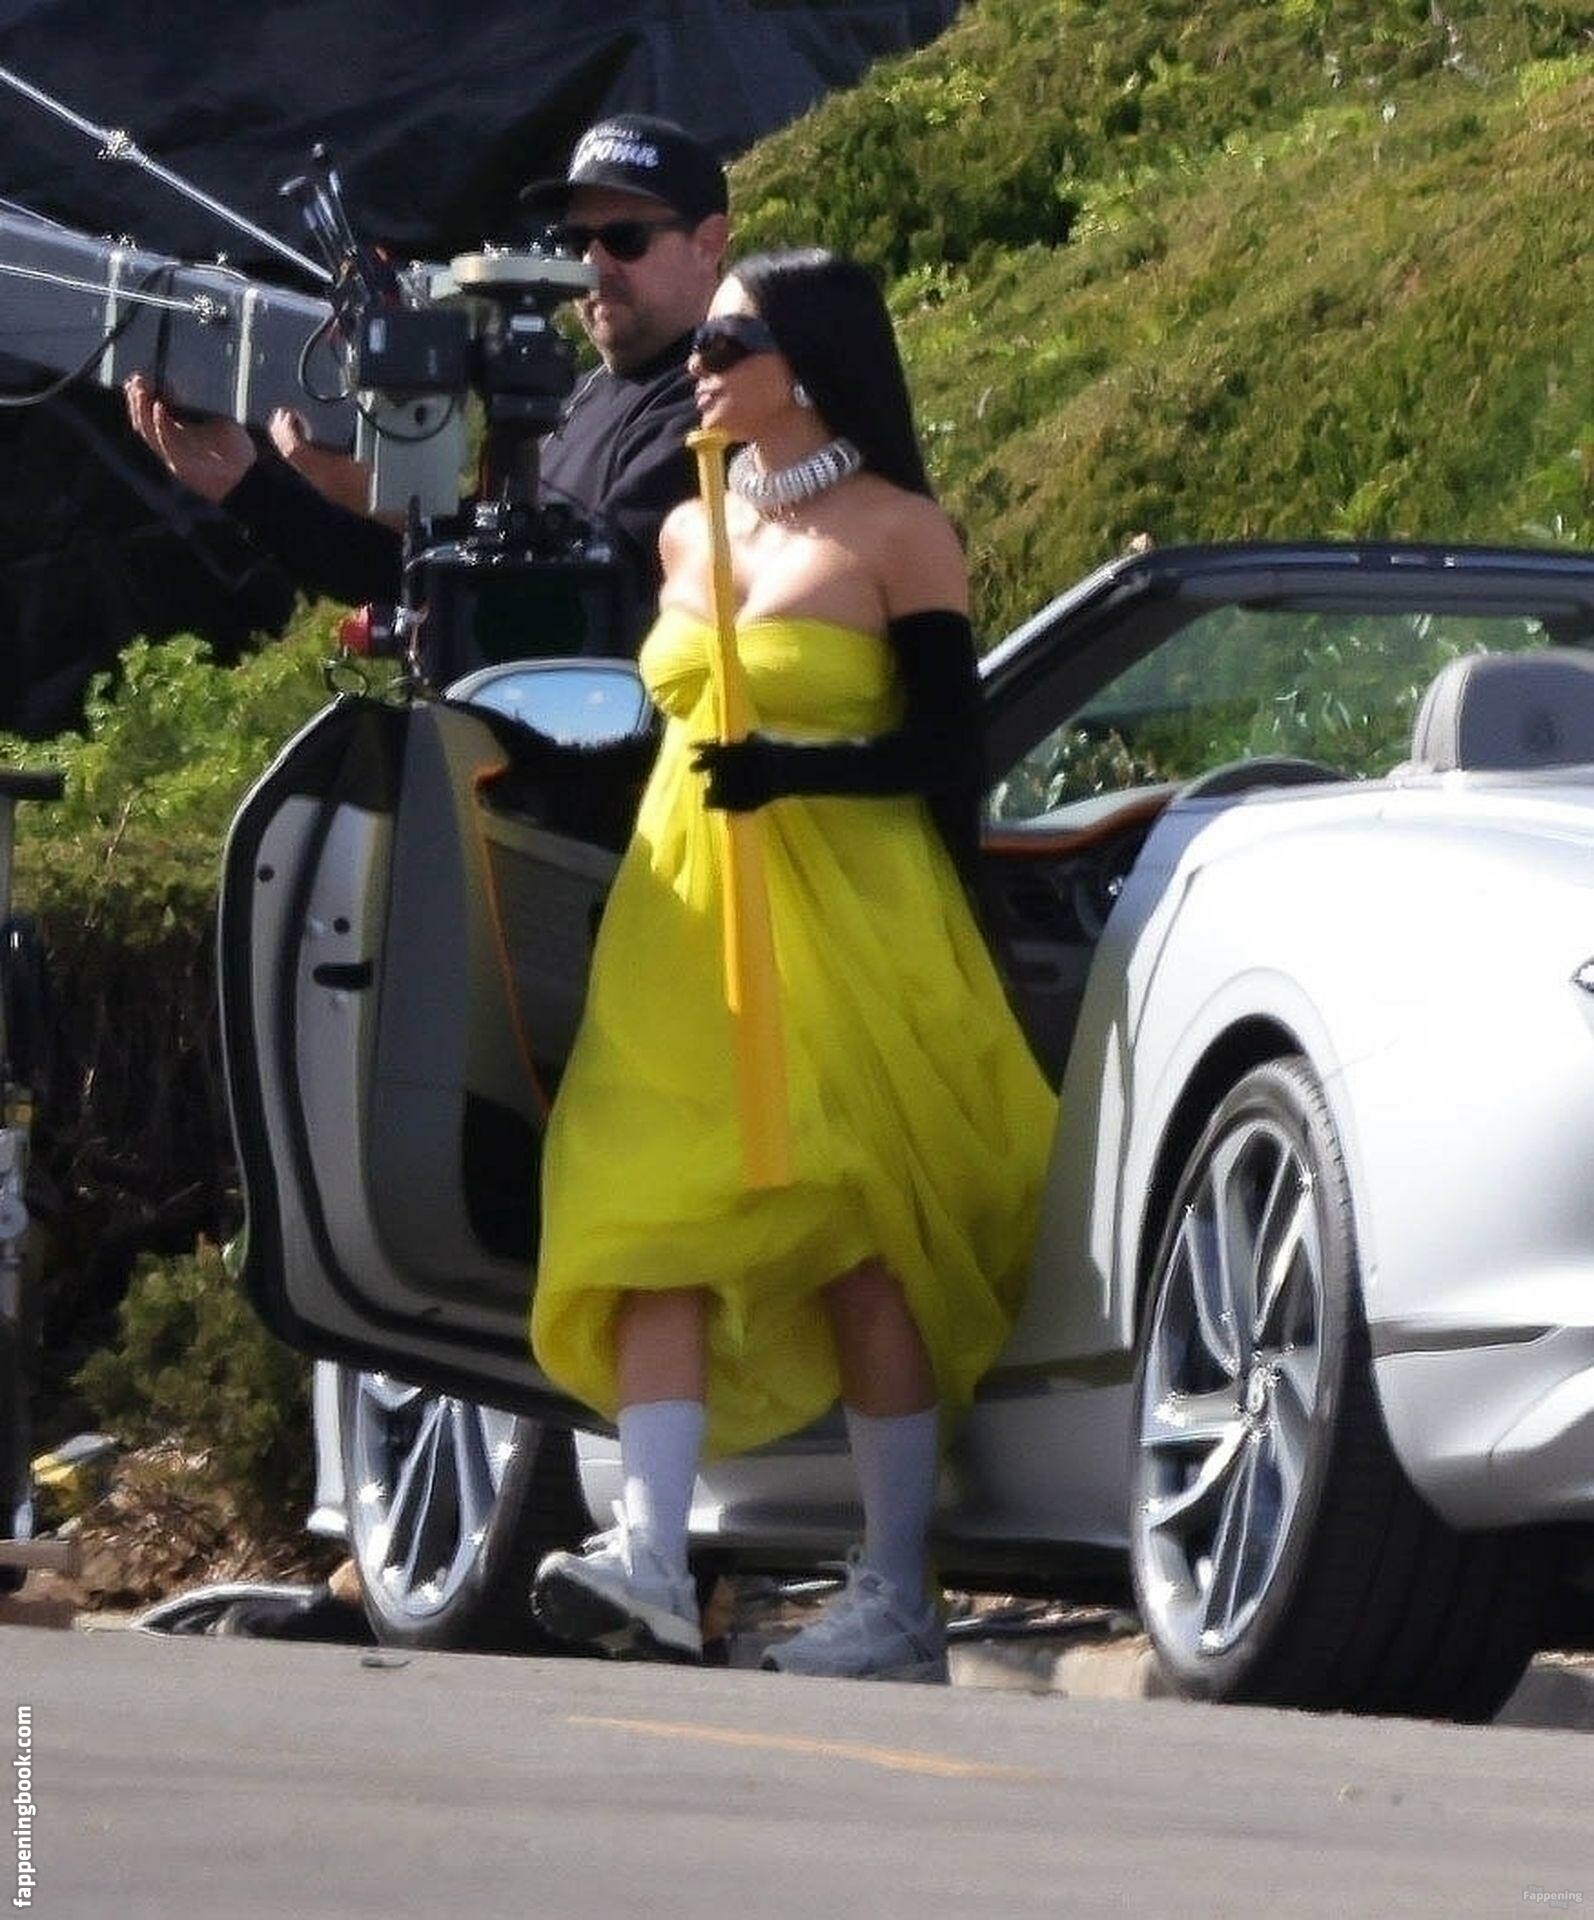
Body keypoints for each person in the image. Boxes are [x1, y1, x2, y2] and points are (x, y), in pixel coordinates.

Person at [527, 248, 1057, 1681]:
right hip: (680, 925)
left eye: (727, 343)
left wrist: (799, 772)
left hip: (846, 920)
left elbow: (950, 750)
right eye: (699, 344)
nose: (697, 367)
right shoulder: (682, 534)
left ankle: (895, 1594)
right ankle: (650, 1554)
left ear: (807, 362)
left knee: (857, 1241)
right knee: (649, 1216)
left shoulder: (900, 532)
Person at [122, 114, 730, 654]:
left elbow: (595, 597)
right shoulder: (575, 398)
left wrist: (398, 507)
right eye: (574, 241)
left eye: (625, 239)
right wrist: (246, 487)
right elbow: (426, 581)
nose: (593, 265)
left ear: (708, 244)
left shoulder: (720, 402)